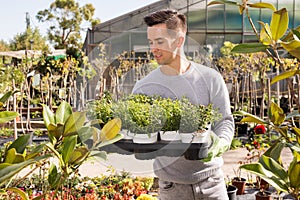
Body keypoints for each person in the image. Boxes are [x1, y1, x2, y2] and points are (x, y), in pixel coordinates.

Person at [132, 9, 234, 200]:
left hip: (212, 184)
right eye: (151, 42)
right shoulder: (144, 87)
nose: (153, 48)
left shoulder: (210, 79)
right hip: (171, 188)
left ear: (179, 40)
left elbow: (225, 122)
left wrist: (221, 143)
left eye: (160, 41)